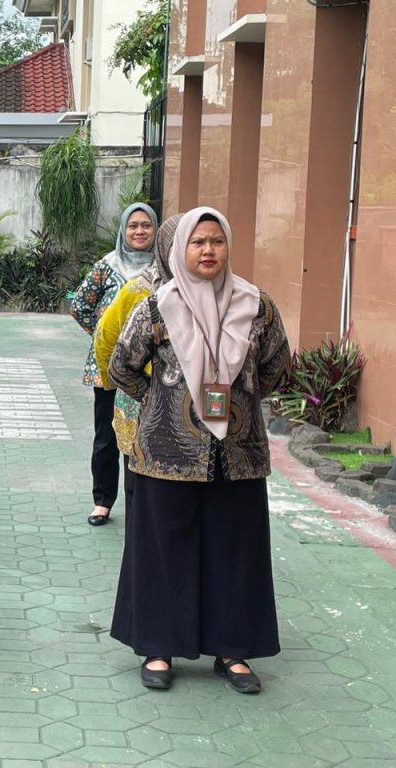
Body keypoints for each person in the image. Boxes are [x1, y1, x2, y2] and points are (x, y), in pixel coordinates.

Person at [108, 207, 291, 694]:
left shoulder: (257, 306)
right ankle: (158, 647)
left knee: (235, 552)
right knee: (163, 552)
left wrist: (240, 401)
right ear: (180, 249)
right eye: (198, 242)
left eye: (217, 241)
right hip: (165, 456)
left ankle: (233, 651)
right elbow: (122, 367)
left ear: (228, 246)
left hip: (239, 455)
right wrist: (164, 402)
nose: (208, 250)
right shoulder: (156, 306)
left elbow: (277, 368)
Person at [70, 203, 159, 526]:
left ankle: (140, 505)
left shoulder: (164, 269)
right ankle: (103, 501)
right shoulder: (107, 266)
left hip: (151, 369)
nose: (139, 231)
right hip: (108, 368)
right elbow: (80, 306)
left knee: (142, 436)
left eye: (146, 225)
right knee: (106, 436)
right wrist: (105, 337)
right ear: (123, 229)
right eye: (133, 225)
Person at [93, 212, 183, 514]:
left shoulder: (220, 293)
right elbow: (105, 338)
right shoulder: (139, 289)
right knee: (138, 475)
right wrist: (130, 385)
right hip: (142, 400)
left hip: (194, 415)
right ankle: (111, 509)